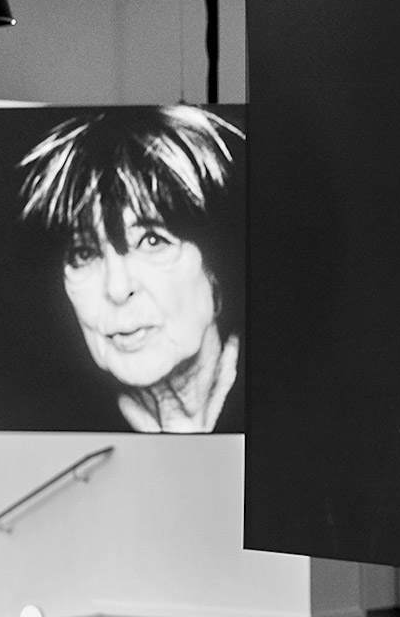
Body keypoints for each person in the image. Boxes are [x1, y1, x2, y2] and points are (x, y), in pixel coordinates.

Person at [18, 105, 245, 433]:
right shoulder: (45, 423)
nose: (117, 288)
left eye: (153, 241)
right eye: (84, 253)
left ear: (217, 267)